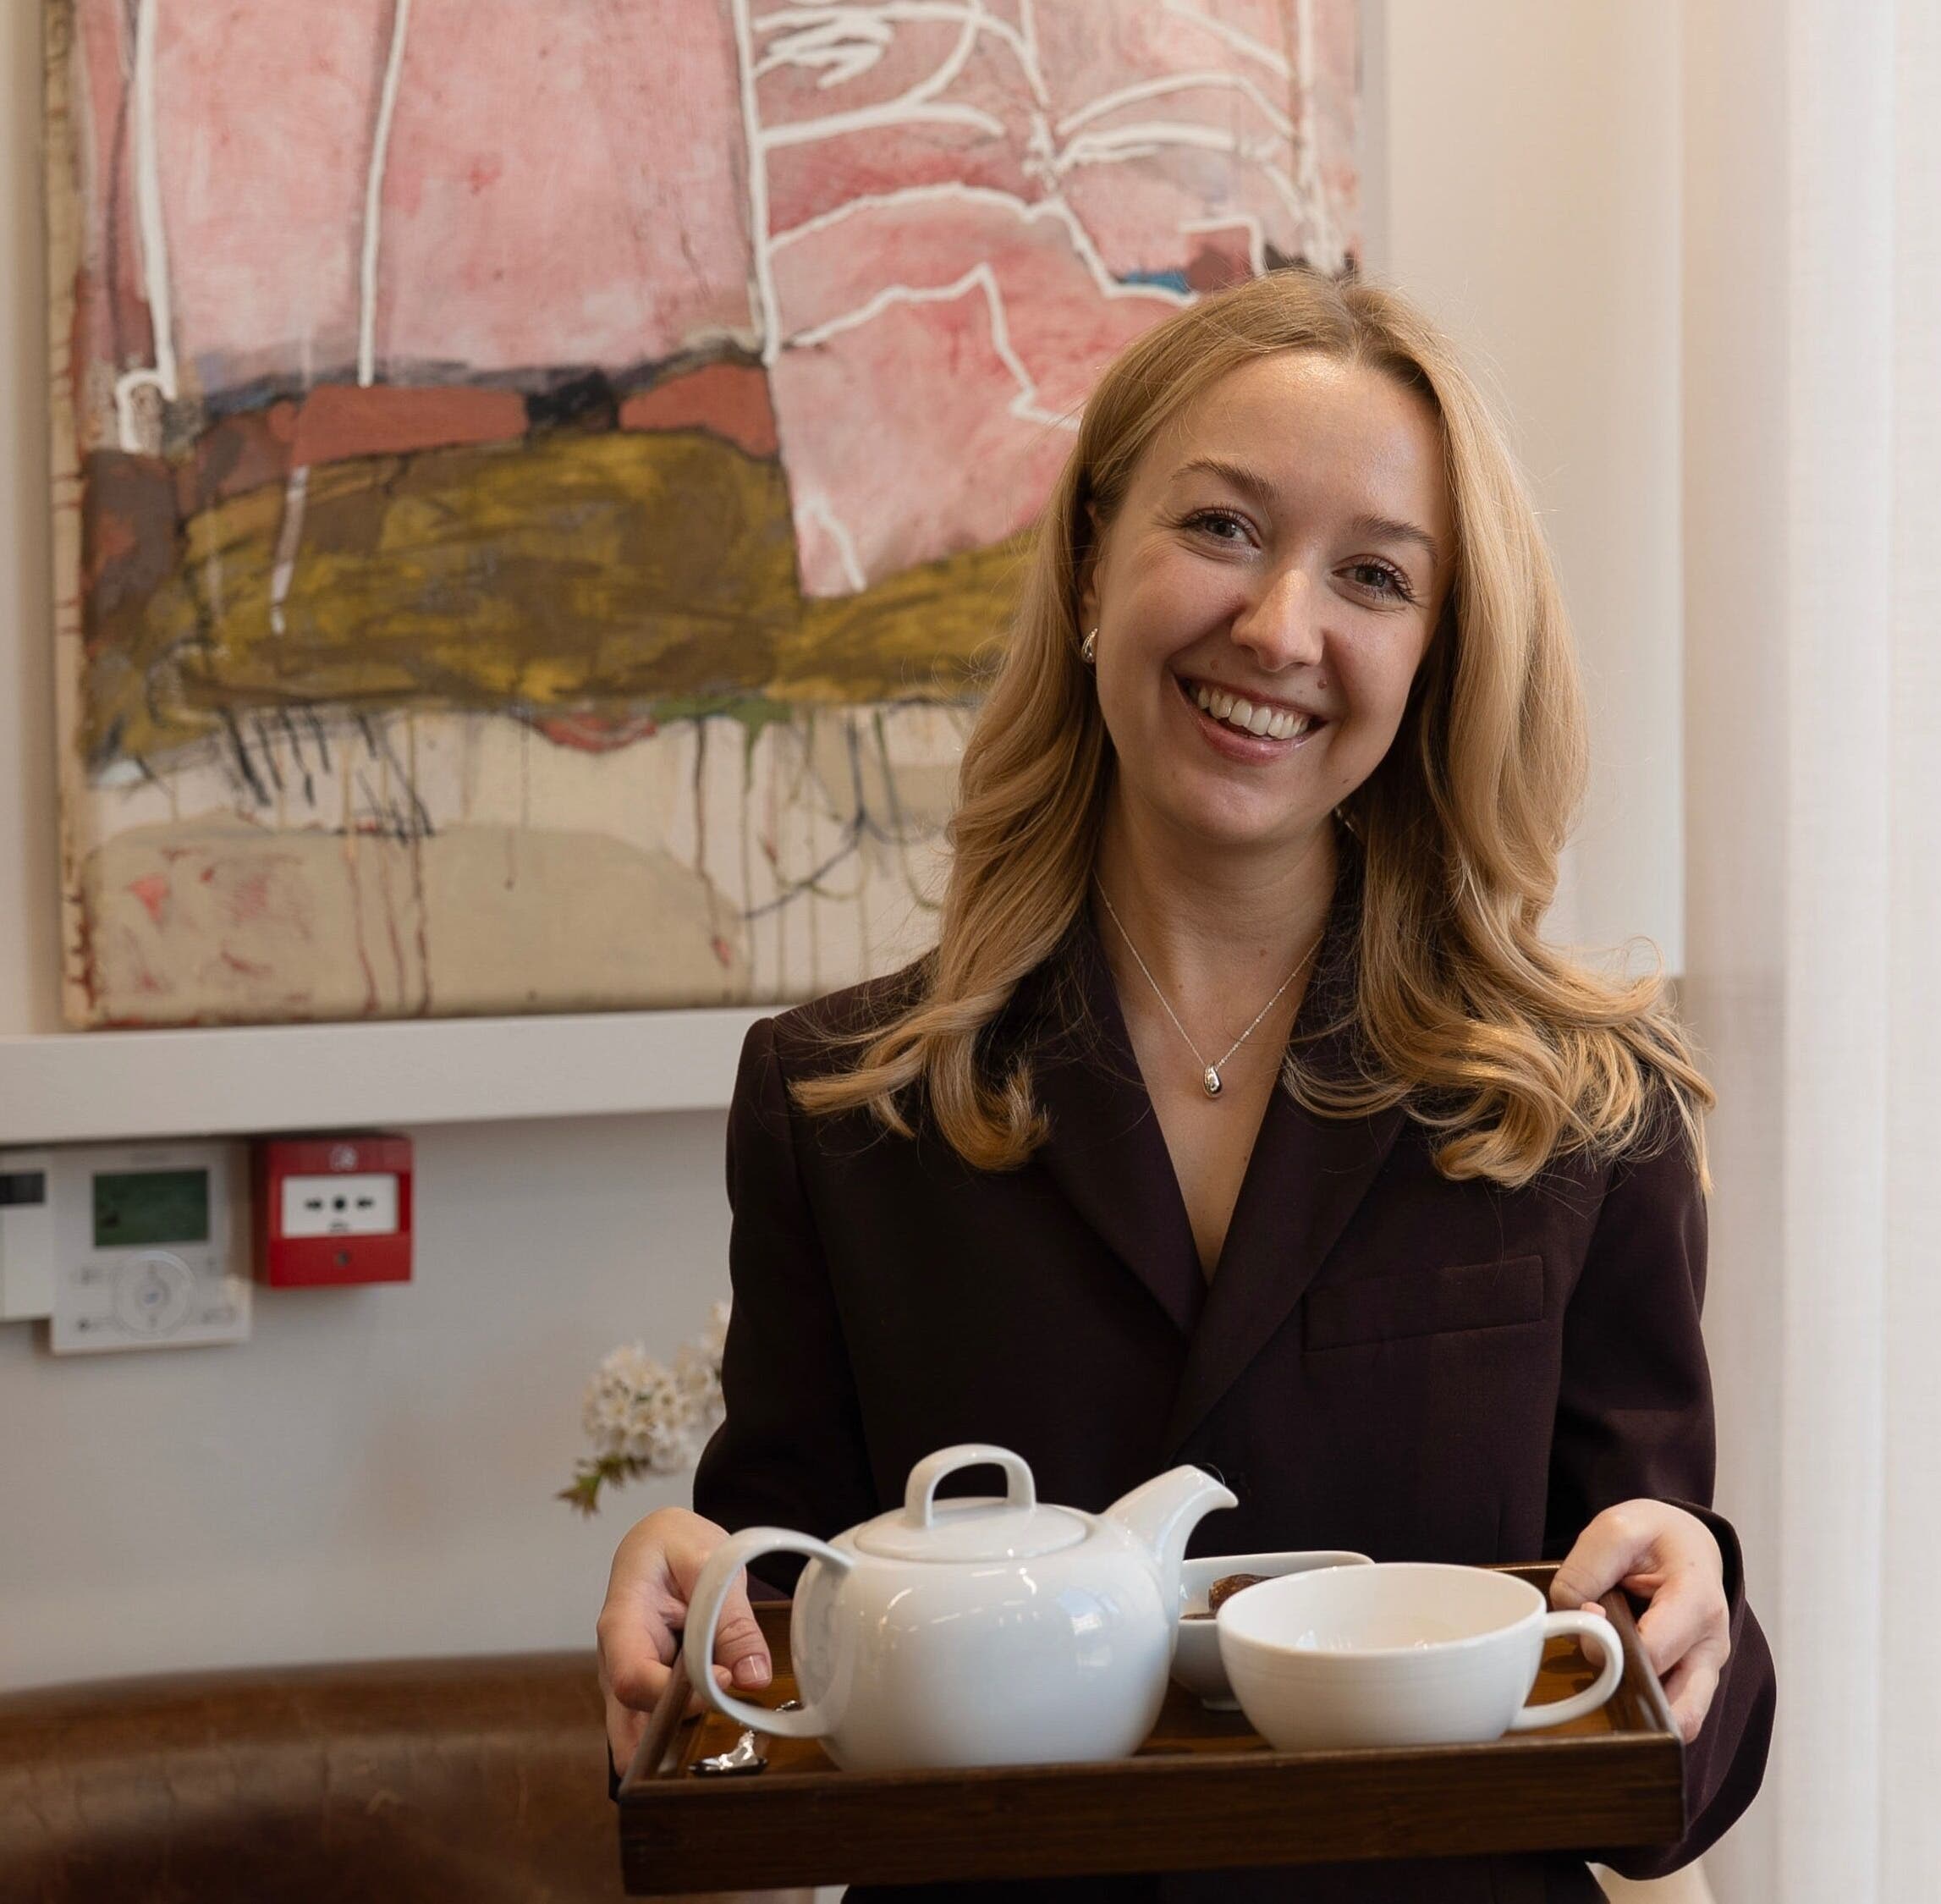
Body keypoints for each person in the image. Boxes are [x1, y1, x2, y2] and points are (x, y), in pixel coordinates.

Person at [594, 269, 1773, 1901]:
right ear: (1090, 563)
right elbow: (777, 1667)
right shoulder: (840, 1103)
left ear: (1436, 653)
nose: (1281, 628)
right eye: (1221, 527)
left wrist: (1693, 1596)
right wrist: (692, 1598)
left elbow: (1660, 1760)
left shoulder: (1583, 1105)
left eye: (1373, 575)